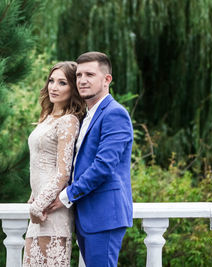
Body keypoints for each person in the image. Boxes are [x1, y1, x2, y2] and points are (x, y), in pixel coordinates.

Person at [47, 52, 134, 266]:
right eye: (79, 75)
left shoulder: (115, 114)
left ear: (107, 80)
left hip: (104, 215)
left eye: (90, 74)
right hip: (87, 215)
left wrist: (67, 195)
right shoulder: (87, 116)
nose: (82, 80)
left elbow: (103, 167)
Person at [23, 61, 85, 266]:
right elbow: (40, 163)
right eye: (51, 81)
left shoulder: (68, 121)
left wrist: (39, 205)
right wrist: (34, 196)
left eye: (62, 83)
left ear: (73, 89)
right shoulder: (48, 117)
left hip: (52, 209)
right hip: (40, 205)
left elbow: (62, 173)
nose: (54, 87)